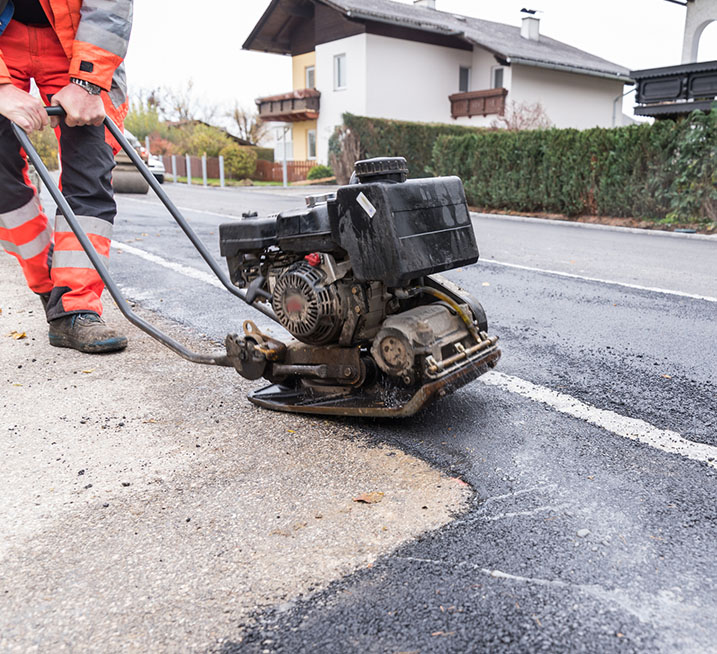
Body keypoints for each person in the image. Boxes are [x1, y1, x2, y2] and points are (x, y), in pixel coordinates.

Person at [0, 0, 133, 353]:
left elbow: (110, 5)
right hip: (3, 37)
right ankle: (51, 285)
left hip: (74, 38)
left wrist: (88, 82)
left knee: (90, 171)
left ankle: (77, 308)